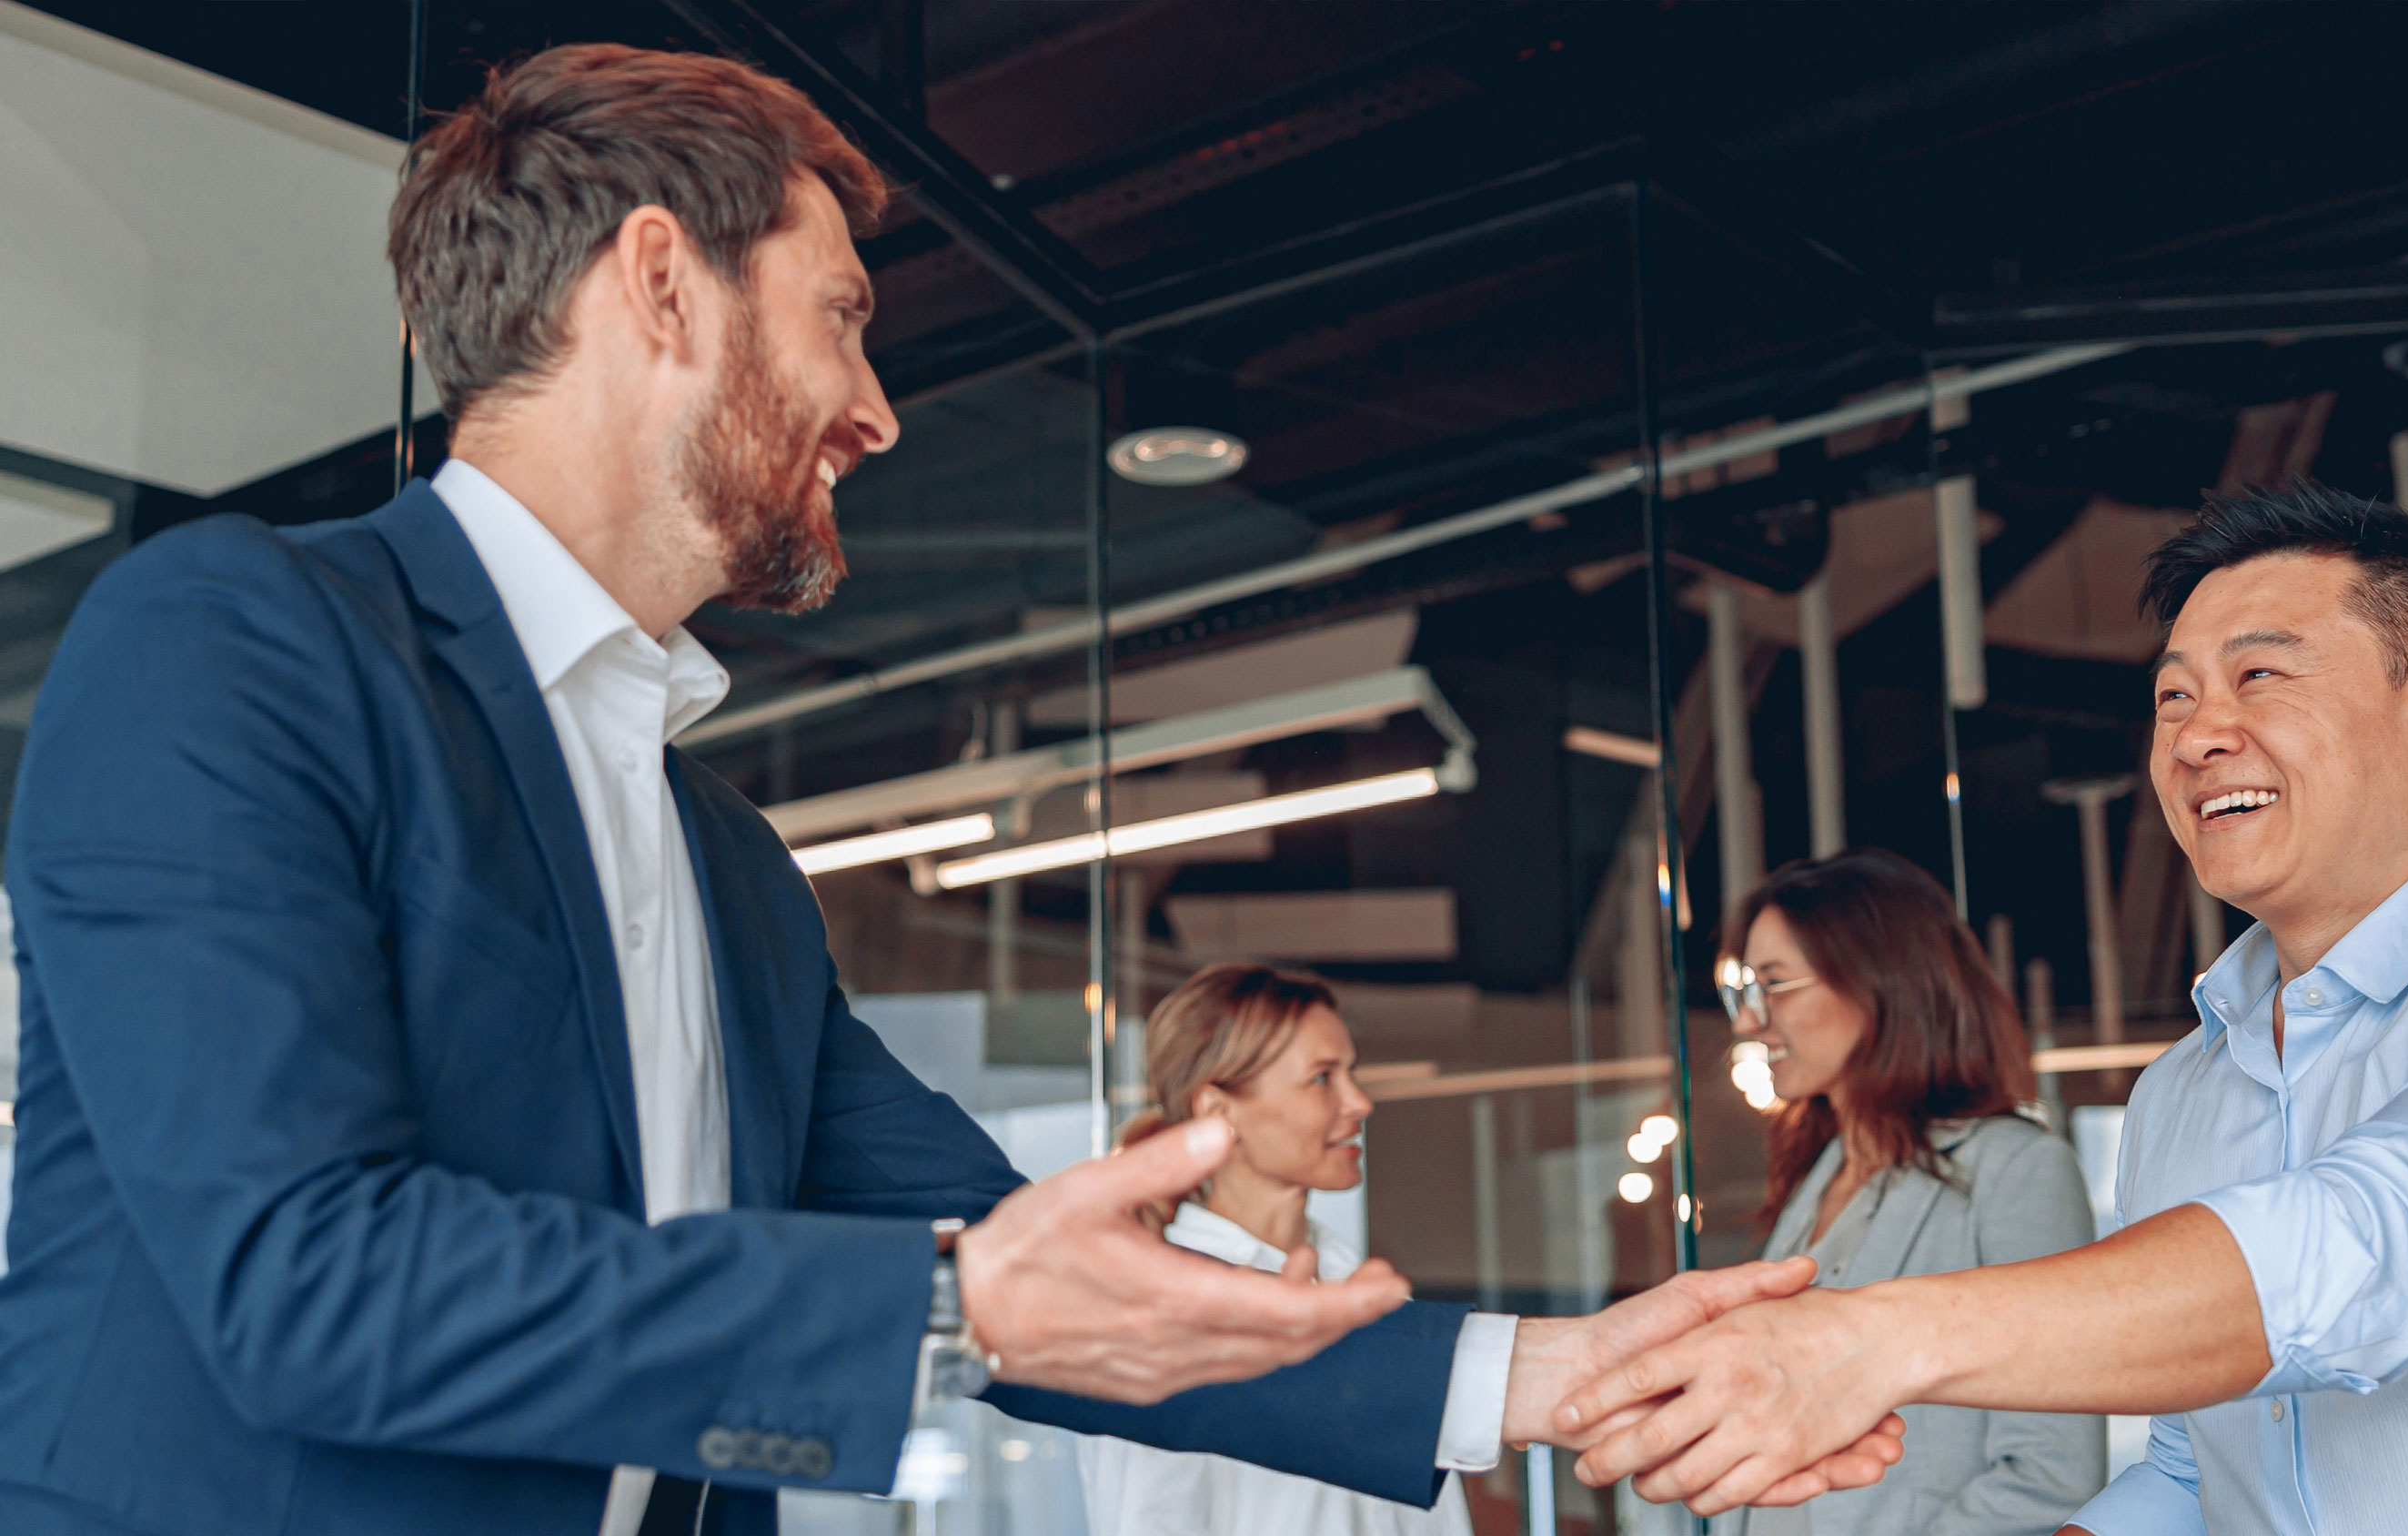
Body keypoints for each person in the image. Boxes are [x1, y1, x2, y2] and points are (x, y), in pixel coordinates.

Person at [0, 43, 1901, 1536]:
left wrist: (1536, 1373)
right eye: (842, 314)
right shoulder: (237, 641)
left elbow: (1064, 1280)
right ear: (659, 283)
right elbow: (300, 1273)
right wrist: (963, 1298)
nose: (879, 406)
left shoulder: (728, 867)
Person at [1555, 484, 2408, 1533]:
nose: (2199, 733)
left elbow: (2389, 1249)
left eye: (2260, 675)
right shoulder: (2184, 1089)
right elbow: (2194, 1463)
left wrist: (1876, 1339)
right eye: (2173, 695)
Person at [1711, 854, 2101, 1536]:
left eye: (1774, 985)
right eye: (1746, 990)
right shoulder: (1817, 1180)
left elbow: (2051, 1474)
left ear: (1876, 982)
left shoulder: (2016, 1170)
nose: (1749, 1022)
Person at [1080, 964, 1474, 1536]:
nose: (1359, 1102)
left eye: (1351, 1074)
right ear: (1218, 1111)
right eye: (1322, 1078)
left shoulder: (1367, 1293)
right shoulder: (1161, 1311)